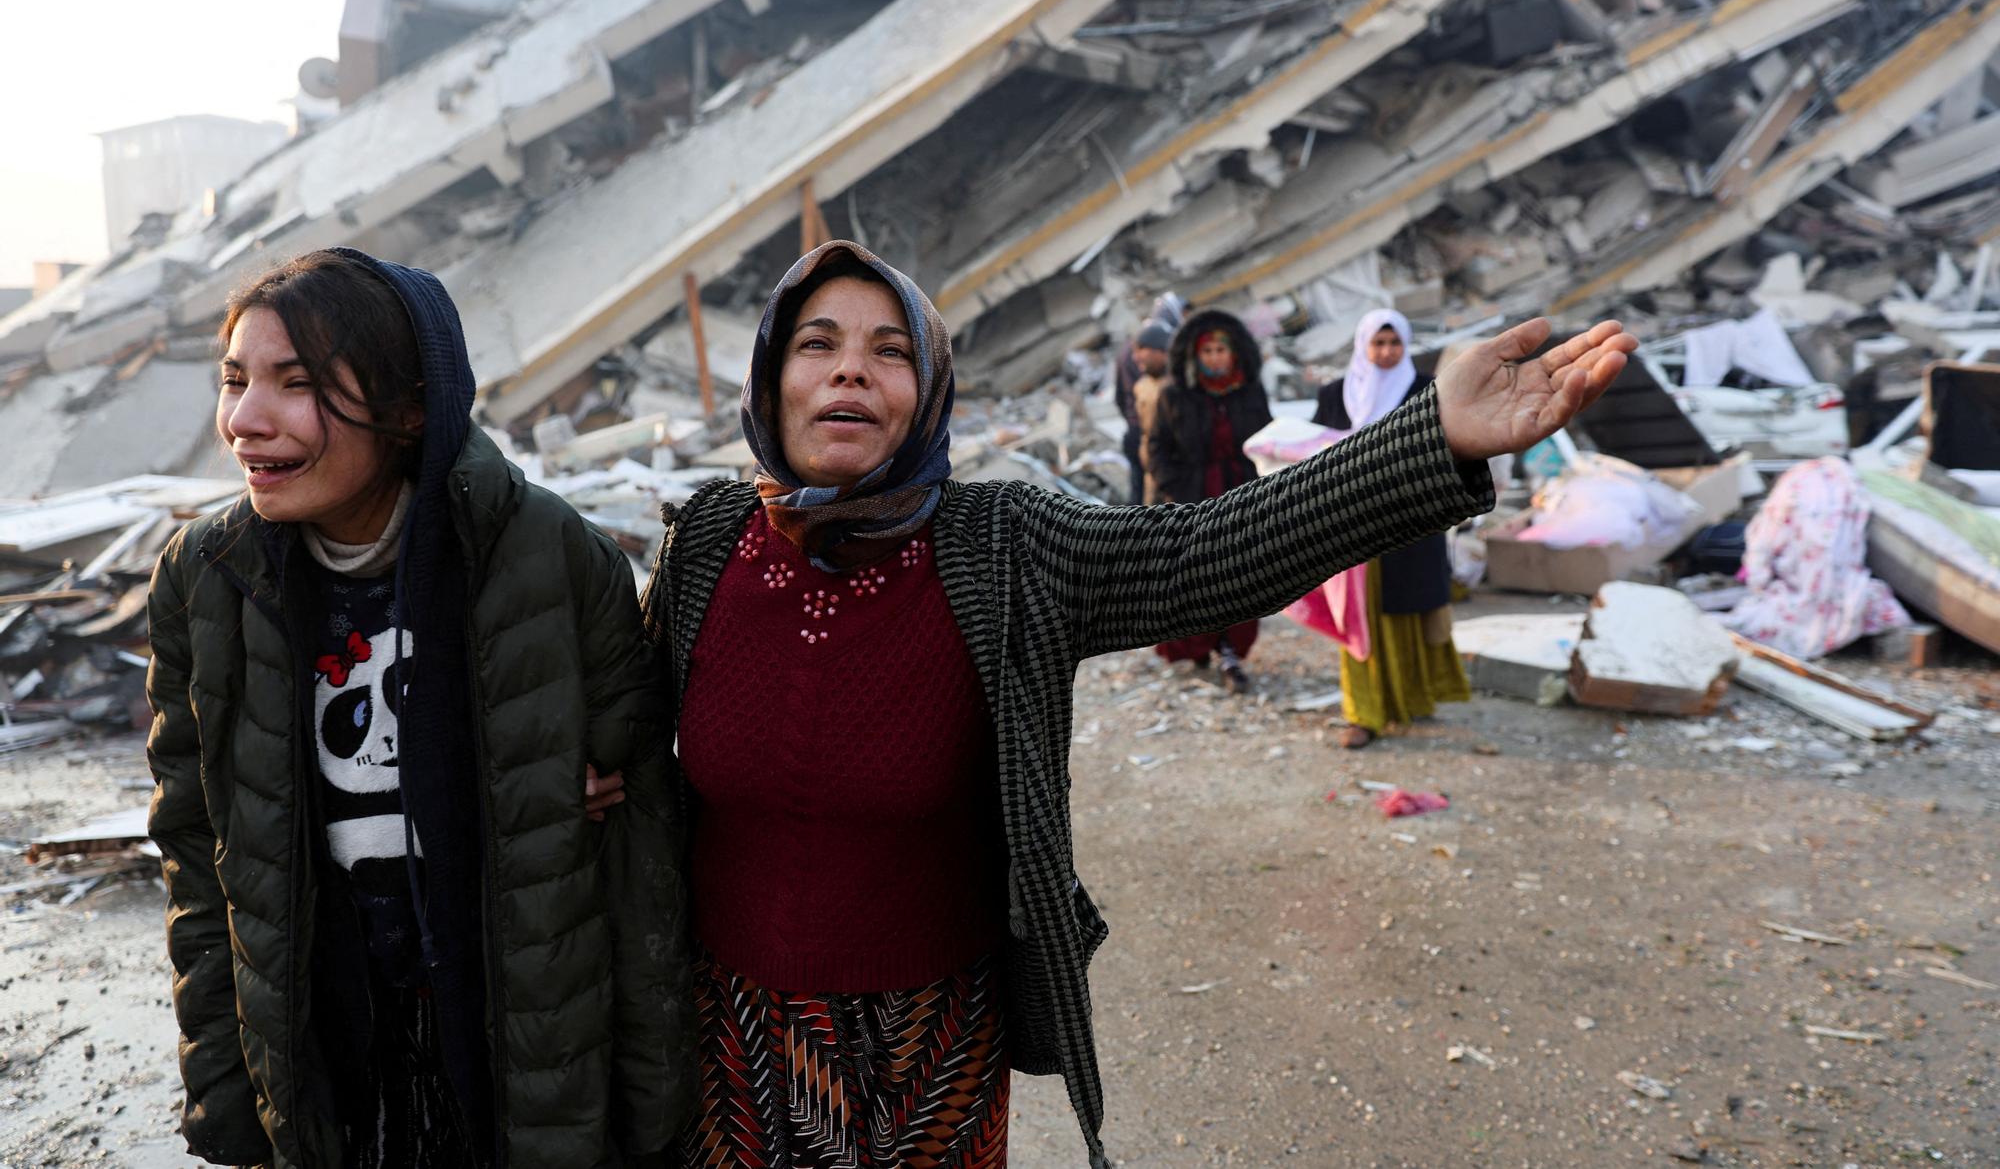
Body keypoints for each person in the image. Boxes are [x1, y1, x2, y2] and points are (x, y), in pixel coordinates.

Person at [642, 240, 1634, 1168]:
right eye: (816, 345)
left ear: (929, 389)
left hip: (930, 1043)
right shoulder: (705, 542)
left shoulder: (1004, 546)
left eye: (888, 351)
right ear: (769, 379)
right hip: (725, 1030)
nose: (849, 371)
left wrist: (1427, 439)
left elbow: (1207, 551)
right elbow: (623, 719)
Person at [146, 248, 693, 1168]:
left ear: (409, 409)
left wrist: (649, 1107)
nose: (244, 420)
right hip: (332, 1051)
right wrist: (226, 1091)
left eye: (296, 382)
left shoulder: (551, 558)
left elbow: (638, 859)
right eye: (236, 380)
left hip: (509, 1045)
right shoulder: (208, 580)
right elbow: (200, 854)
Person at [1313, 309, 1472, 748]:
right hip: (1350, 528)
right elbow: (1307, 458)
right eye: (1377, 344)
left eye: (1394, 343)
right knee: (1359, 619)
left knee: (1408, 610)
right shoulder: (1334, 395)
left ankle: (1414, 698)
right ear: (1363, 345)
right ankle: (1364, 713)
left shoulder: (1425, 392)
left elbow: (1447, 448)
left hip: (1411, 522)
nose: (1386, 353)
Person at [1144, 309, 1273, 692]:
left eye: (1221, 350)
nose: (1215, 357)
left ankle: (1230, 651)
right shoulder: (1174, 395)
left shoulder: (1250, 393)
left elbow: (1267, 439)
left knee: (1239, 576)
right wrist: (1175, 489)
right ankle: (1200, 644)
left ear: (1234, 354)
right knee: (1196, 577)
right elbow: (1157, 448)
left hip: (1242, 497)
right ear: (1196, 356)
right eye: (1208, 351)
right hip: (1192, 502)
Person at [1113, 320, 1174, 504]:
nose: (1135, 357)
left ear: (1161, 351)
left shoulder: (1178, 388)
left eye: (1141, 350)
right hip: (1152, 467)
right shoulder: (1142, 388)